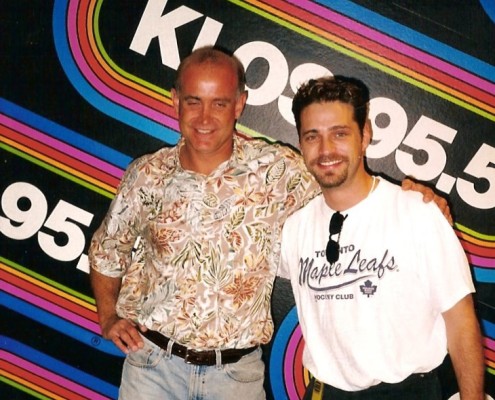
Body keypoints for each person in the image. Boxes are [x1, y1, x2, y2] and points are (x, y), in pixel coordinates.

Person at [88, 47, 451, 400]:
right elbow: (107, 251)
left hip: (235, 378)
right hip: (152, 369)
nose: (204, 117)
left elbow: (348, 190)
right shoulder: (147, 174)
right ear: (175, 100)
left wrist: (414, 199)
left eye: (220, 103)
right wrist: (107, 317)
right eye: (193, 100)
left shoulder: (278, 169)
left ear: (240, 105)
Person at [279, 76, 484, 400]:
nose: (326, 149)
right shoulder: (295, 229)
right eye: (312, 136)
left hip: (409, 392)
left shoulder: (417, 212)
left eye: (340, 134)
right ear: (301, 144)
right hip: (326, 393)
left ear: (365, 136)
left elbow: (462, 324)